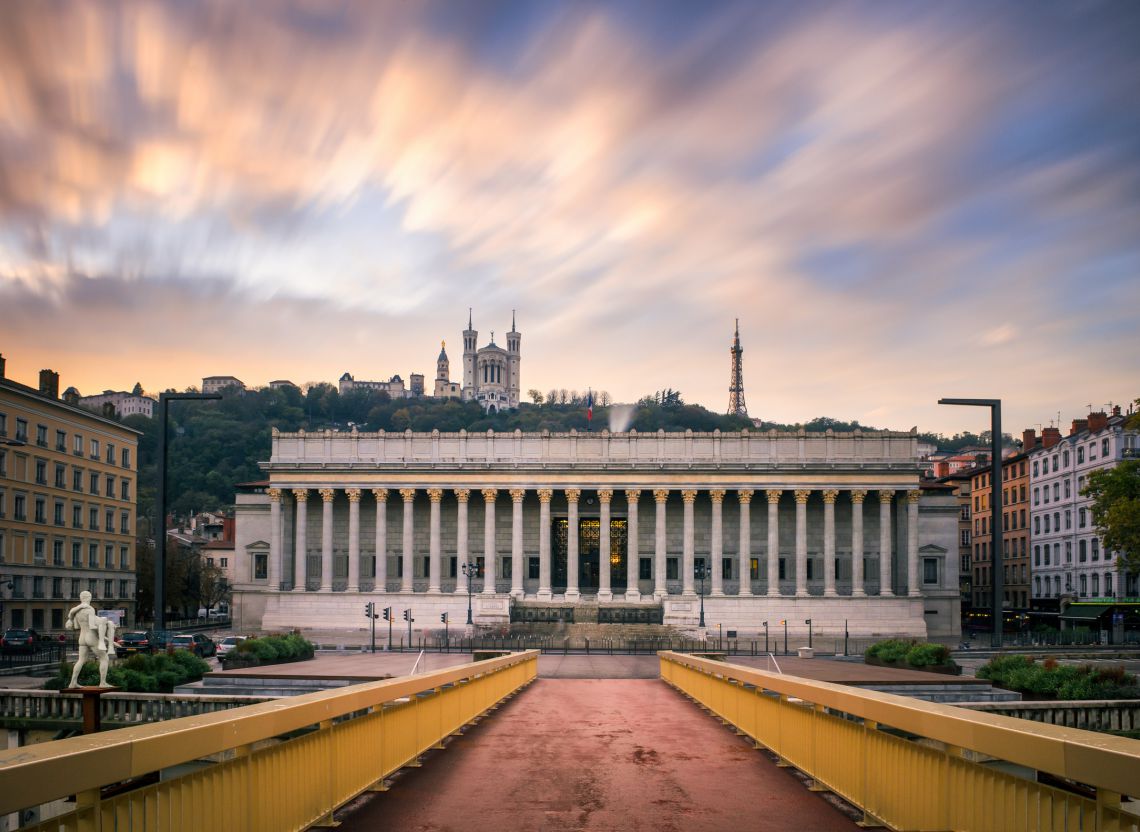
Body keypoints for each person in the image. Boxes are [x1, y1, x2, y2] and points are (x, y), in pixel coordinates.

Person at [64, 591, 117, 687]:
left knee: (81, 660)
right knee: (104, 658)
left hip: (82, 637)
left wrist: (108, 640)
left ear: (81, 598)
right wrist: (103, 625)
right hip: (91, 636)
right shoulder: (90, 609)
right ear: (89, 598)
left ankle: (73, 682)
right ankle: (103, 682)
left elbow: (76, 626)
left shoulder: (76, 611)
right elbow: (93, 626)